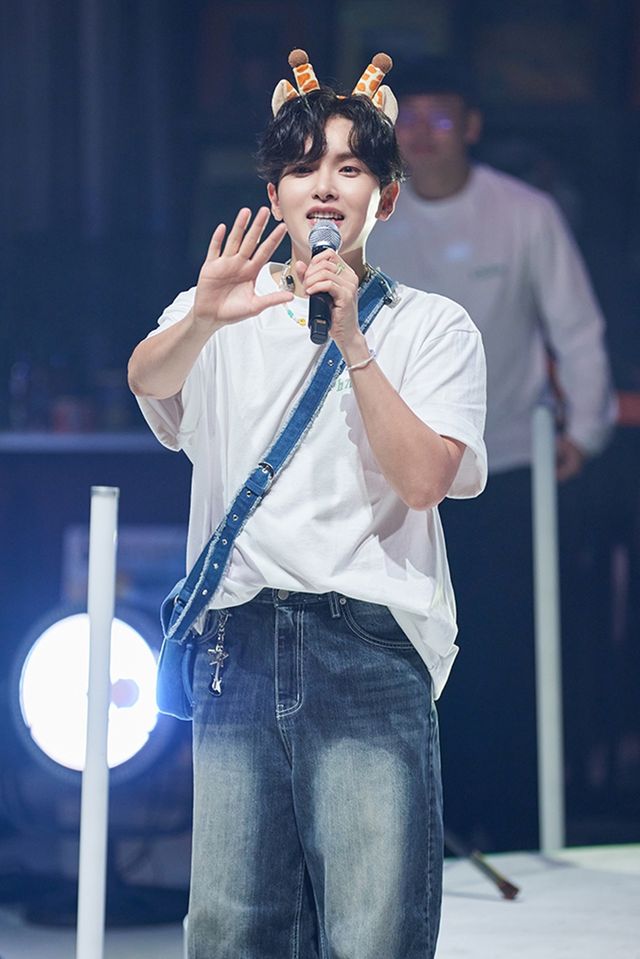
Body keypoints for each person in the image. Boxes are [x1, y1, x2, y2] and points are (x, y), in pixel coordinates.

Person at [128, 51, 486, 959]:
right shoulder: (217, 309)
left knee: (372, 931)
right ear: (276, 194)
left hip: (366, 644)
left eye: (349, 168)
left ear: (385, 198)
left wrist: (354, 339)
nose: (323, 186)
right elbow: (147, 381)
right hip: (238, 644)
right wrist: (203, 317)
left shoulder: (432, 327)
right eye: (301, 168)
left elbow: (424, 481)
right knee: (230, 930)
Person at [367, 58, 615, 852]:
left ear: (471, 127)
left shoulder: (524, 213)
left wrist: (585, 431)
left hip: (507, 464)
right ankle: (420, 833)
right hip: (397, 473)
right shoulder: (373, 212)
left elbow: (576, 327)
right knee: (406, 648)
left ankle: (512, 831)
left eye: (440, 120)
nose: (423, 137)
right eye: (408, 122)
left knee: (510, 648)